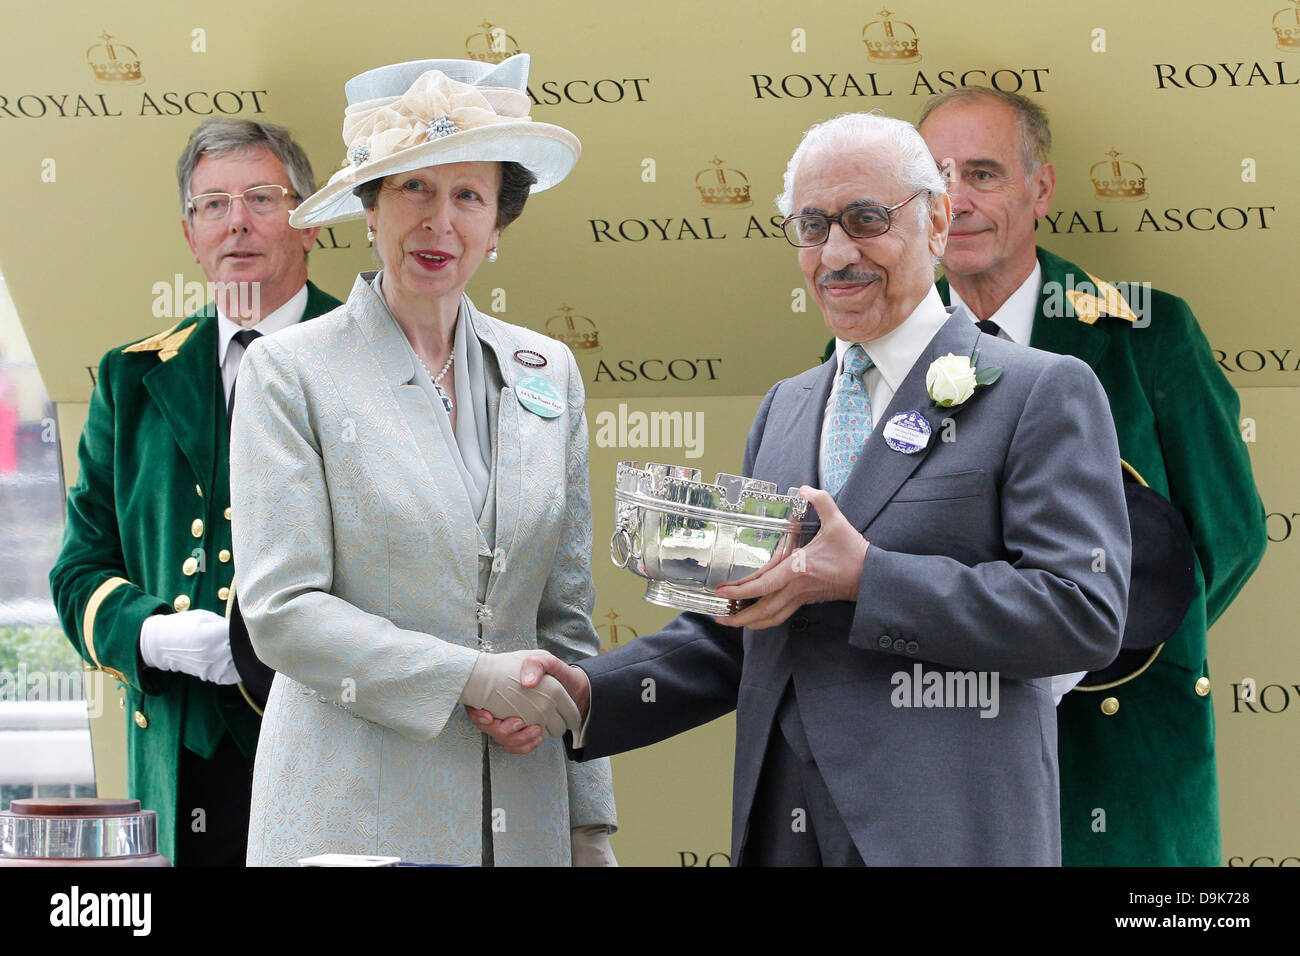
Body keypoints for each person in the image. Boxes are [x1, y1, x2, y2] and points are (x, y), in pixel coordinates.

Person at [477, 112, 1131, 865]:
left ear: (938, 220)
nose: (838, 252)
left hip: (945, 837)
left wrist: (869, 580)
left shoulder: (1039, 390)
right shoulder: (786, 408)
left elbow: (1082, 612)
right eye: (813, 226)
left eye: (866, 220)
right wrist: (583, 695)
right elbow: (746, 630)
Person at [228, 54, 616, 867]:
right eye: (414, 189)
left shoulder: (549, 371)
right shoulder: (288, 370)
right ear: (369, 210)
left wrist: (589, 829)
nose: (440, 222)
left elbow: (567, 622)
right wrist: (475, 678)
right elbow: (281, 610)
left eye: (468, 195)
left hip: (527, 819)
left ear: (498, 225)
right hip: (353, 821)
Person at [917, 86, 1267, 866]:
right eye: (936, 177)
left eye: (982, 174)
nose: (956, 201)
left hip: (1123, 744)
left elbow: (1227, 539)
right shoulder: (867, 356)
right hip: (936, 748)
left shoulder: (1149, 333)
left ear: (1039, 189)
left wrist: (1107, 638)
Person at [49, 118, 342, 865]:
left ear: (307, 222)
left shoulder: (370, 354)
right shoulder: (133, 378)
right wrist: (156, 634)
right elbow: (78, 572)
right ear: (190, 235)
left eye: (261, 198)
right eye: (213, 205)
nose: (236, 222)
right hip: (183, 757)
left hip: (333, 744)